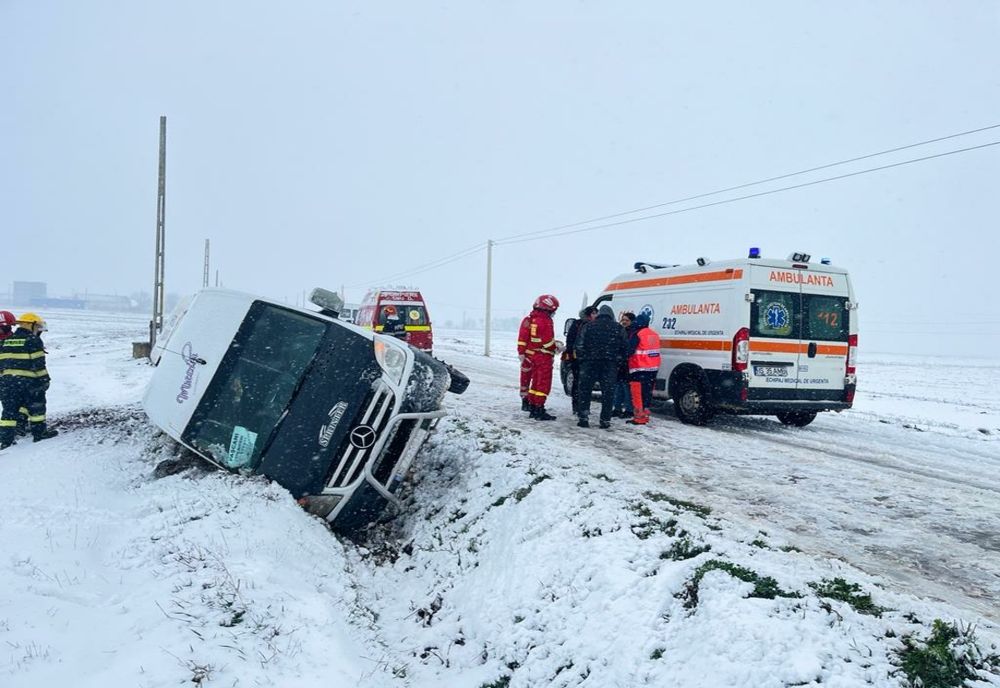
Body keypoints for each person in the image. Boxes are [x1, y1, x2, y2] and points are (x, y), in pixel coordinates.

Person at [0, 312, 58, 449]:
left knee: (8, 411)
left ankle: (6, 440)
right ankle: (39, 433)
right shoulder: (33, 340)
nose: (38, 330)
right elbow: (39, 364)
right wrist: (45, 380)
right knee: (37, 407)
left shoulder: (7, 340)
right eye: (37, 327)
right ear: (29, 325)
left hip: (7, 383)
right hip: (29, 383)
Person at [574, 305, 629, 429]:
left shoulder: (588, 326)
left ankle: (583, 418)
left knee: (585, 391)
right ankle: (605, 420)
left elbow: (579, 346)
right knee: (608, 393)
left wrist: (583, 360)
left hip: (589, 363)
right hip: (609, 364)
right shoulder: (618, 328)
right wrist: (617, 361)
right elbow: (625, 348)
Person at [517, 294, 560, 420]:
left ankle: (532, 406)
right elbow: (546, 342)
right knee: (543, 384)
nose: (553, 313)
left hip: (532, 356)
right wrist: (556, 347)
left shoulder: (531, 319)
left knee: (534, 382)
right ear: (547, 308)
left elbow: (523, 338)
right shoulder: (545, 320)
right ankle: (538, 409)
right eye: (553, 310)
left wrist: (522, 352)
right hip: (543, 357)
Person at [626, 312, 660, 425]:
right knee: (647, 393)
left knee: (637, 394)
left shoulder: (637, 334)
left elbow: (629, 350)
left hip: (639, 368)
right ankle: (645, 414)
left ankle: (639, 417)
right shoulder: (654, 334)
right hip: (653, 368)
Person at [563, 306, 597, 415]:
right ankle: (577, 406)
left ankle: (584, 407)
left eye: (596, 313)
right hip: (577, 359)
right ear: (588, 315)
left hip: (589, 359)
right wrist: (572, 354)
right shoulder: (578, 324)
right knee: (578, 382)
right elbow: (570, 340)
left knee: (587, 384)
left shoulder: (595, 325)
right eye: (593, 313)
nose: (595, 315)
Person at [611, 311, 636, 418]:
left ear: (632, 321)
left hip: (628, 363)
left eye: (627, 320)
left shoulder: (633, 333)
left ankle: (628, 409)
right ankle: (617, 408)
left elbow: (629, 349)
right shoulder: (621, 330)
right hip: (620, 363)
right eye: (623, 320)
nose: (624, 322)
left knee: (626, 387)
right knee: (618, 386)